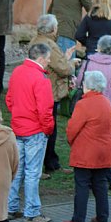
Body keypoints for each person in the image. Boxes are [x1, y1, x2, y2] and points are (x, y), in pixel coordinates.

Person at [5, 43, 55, 222]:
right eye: (48, 58)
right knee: (33, 173)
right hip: (35, 131)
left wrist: (18, 113)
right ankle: (32, 212)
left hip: (18, 128)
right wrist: (47, 129)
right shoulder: (41, 79)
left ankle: (11, 208)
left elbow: (9, 100)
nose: (49, 62)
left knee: (16, 171)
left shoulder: (17, 72)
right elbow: (45, 109)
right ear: (41, 58)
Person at [63, 70, 111, 222]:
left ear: (88, 86)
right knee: (100, 184)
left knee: (82, 185)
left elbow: (72, 129)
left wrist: (72, 143)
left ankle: (78, 219)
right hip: (104, 152)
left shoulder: (83, 104)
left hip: (86, 152)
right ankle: (102, 217)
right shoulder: (106, 102)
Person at [77, 35, 111, 189]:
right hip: (108, 112)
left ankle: (91, 178)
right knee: (108, 145)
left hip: (88, 112)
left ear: (98, 47)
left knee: (89, 144)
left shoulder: (88, 63)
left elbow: (79, 82)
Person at [30, 14, 75, 176]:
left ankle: (49, 162)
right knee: (49, 128)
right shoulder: (49, 45)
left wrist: (65, 58)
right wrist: (71, 63)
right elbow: (64, 69)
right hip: (49, 92)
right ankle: (48, 163)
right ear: (53, 29)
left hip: (35, 90)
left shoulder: (35, 41)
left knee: (40, 128)